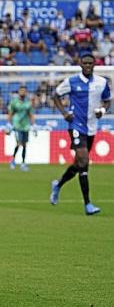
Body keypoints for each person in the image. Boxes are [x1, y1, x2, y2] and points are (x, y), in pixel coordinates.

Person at [50, 52, 111, 215]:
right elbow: (55, 95)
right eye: (85, 63)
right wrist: (64, 113)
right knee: (84, 160)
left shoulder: (101, 82)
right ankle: (88, 204)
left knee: (79, 164)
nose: (88, 66)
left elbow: (107, 100)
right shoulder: (71, 81)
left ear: (94, 65)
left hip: (92, 127)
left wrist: (103, 110)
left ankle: (58, 184)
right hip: (76, 125)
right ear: (80, 64)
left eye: (91, 63)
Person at [7, 86, 35, 171]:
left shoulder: (28, 103)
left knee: (25, 145)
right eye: (21, 91)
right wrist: (9, 124)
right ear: (19, 92)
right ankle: (13, 160)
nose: (23, 92)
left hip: (25, 126)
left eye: (24, 91)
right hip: (17, 125)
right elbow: (10, 113)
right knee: (19, 143)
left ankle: (23, 163)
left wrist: (34, 125)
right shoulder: (14, 102)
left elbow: (31, 114)